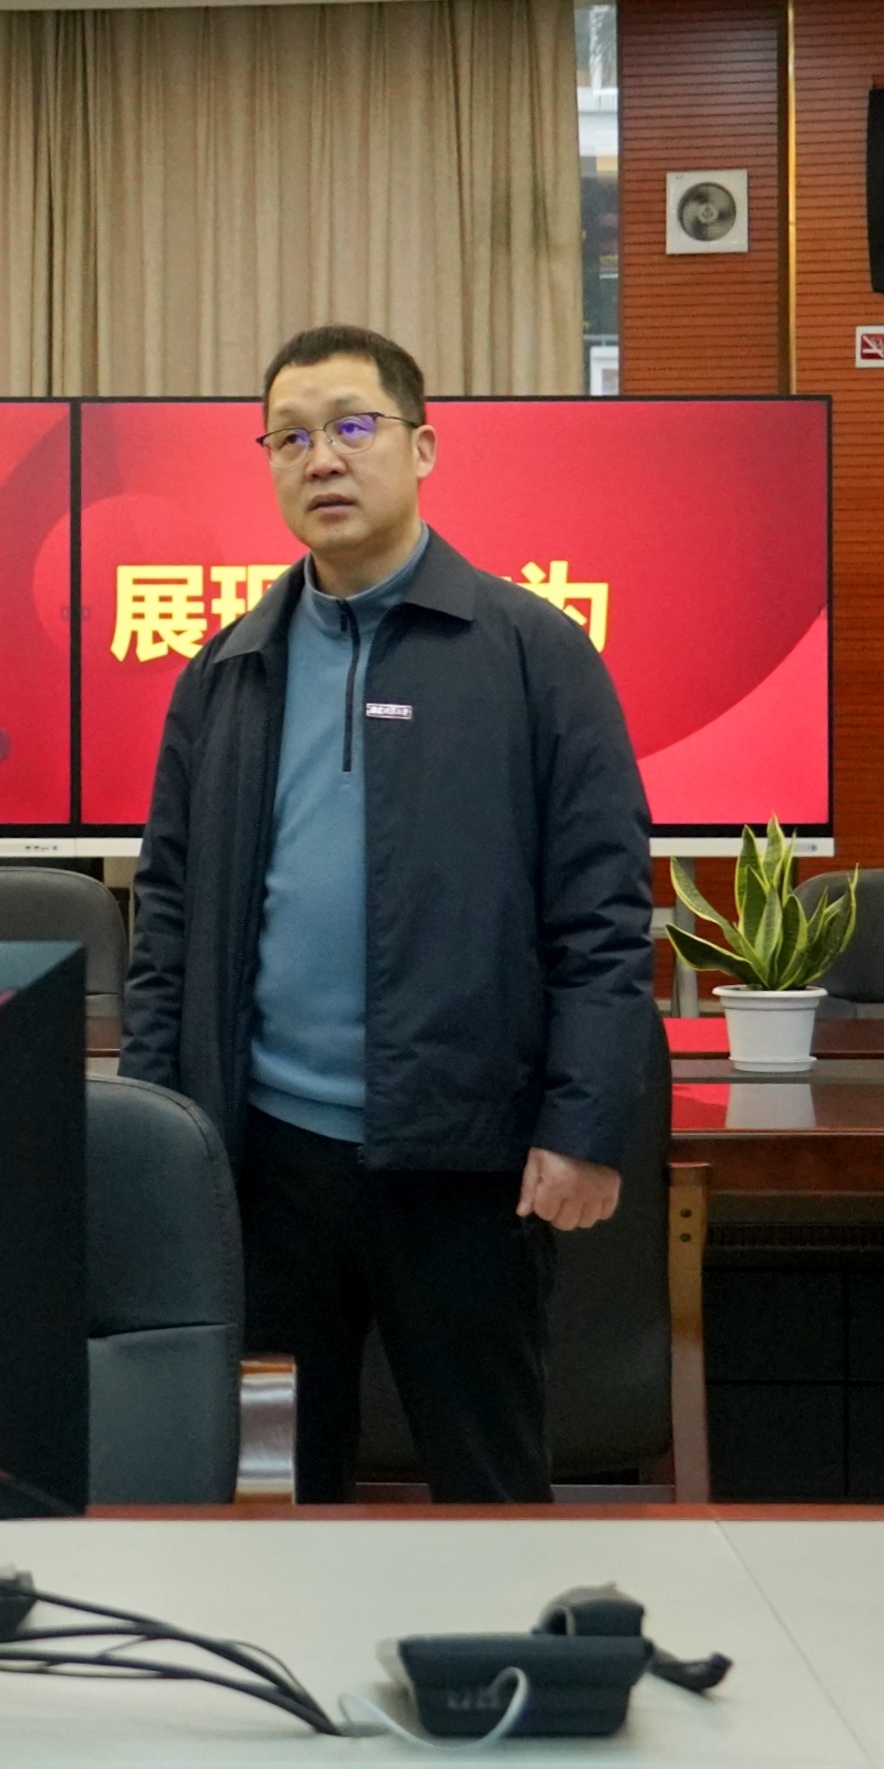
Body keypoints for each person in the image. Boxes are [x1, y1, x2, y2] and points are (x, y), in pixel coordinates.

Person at [122, 325, 652, 1502]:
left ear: (422, 447)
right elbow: (168, 923)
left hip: (467, 1158)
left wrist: (583, 1124)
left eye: (353, 426)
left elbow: (603, 914)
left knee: (488, 1488)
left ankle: (504, 1638)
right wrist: (163, 1137)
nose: (322, 458)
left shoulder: (533, 654)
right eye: (290, 437)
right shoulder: (228, 670)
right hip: (267, 1165)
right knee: (271, 1490)